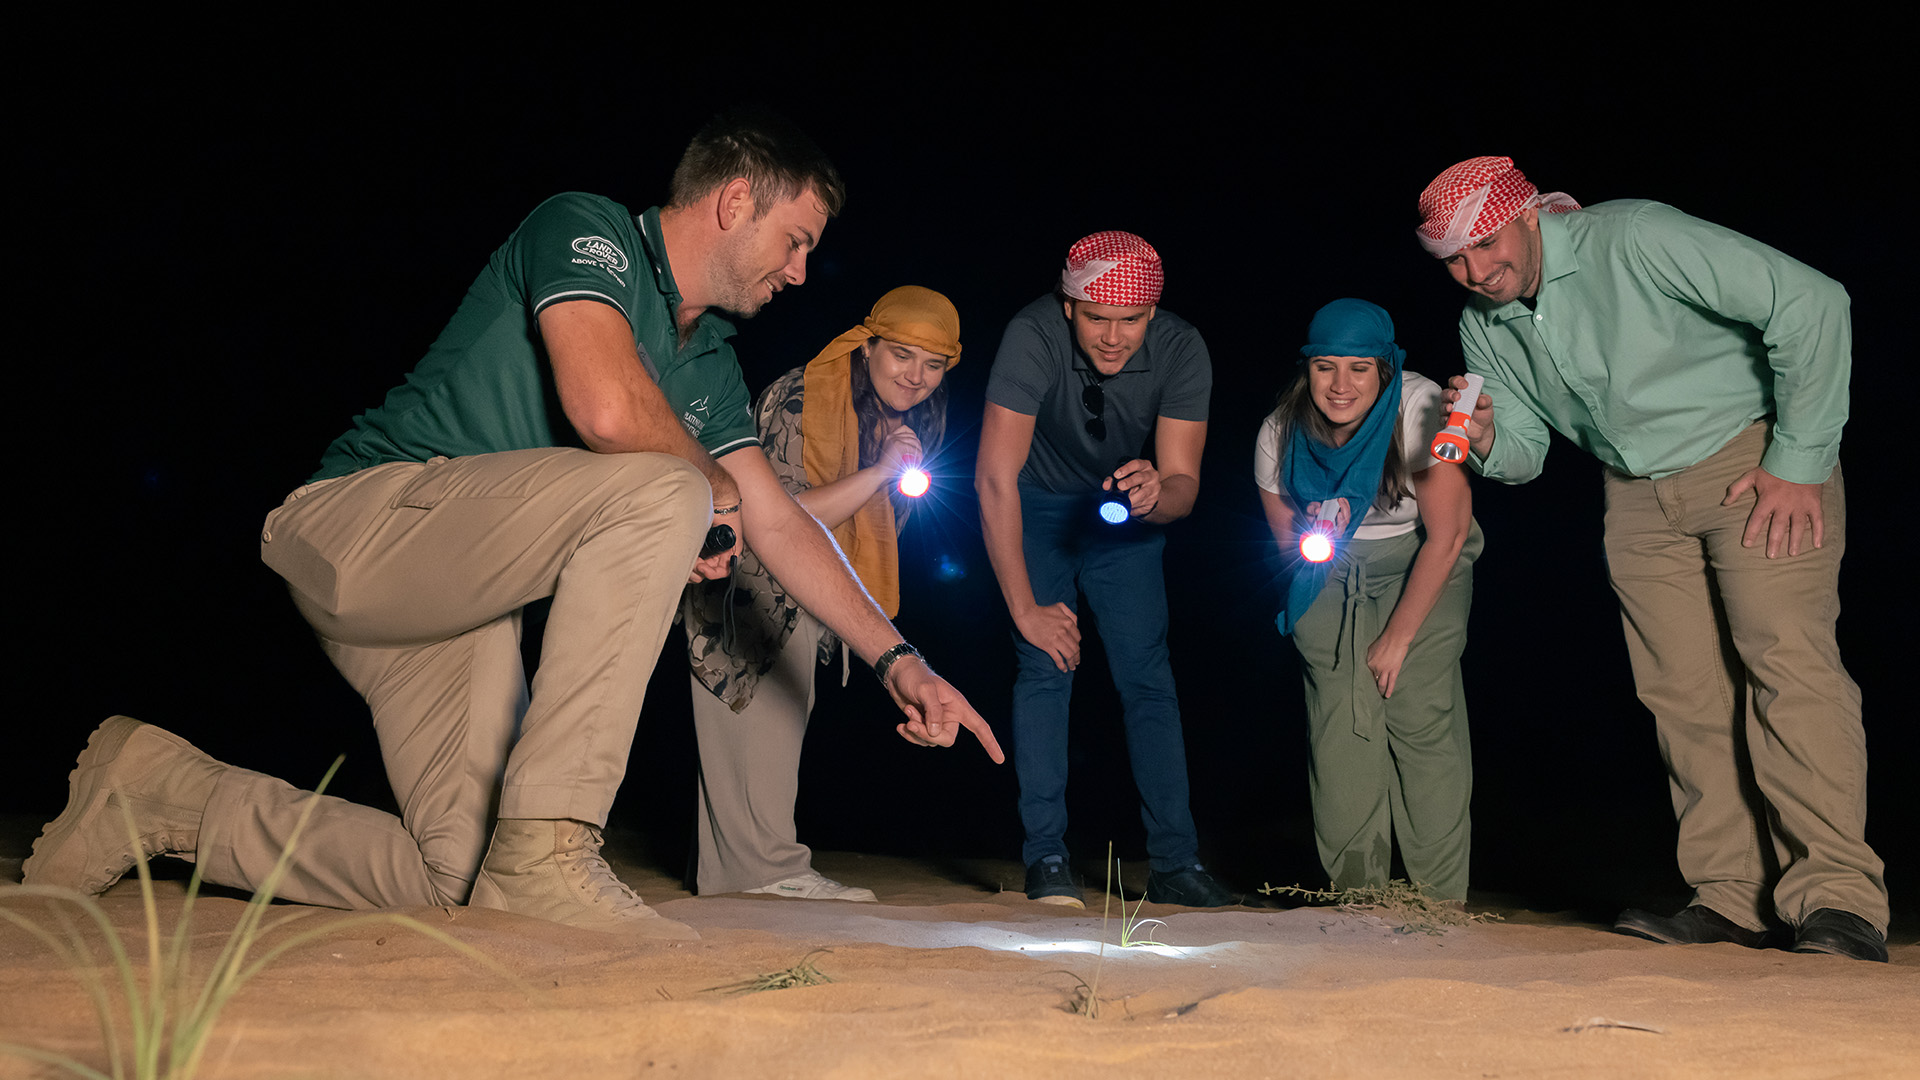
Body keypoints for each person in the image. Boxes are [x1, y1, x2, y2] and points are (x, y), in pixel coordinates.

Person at [24, 109, 1002, 941]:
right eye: (796, 240)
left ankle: (161, 795)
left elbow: (783, 526)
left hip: (460, 596)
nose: (799, 273)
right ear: (734, 201)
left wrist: (898, 661)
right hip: (358, 523)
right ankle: (555, 843)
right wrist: (708, 493)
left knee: (462, 881)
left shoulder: (707, 368)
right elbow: (608, 410)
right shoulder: (586, 230)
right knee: (663, 488)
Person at [1415, 155, 1887, 961]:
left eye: (1487, 244)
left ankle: (1838, 902)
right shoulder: (1481, 324)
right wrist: (1491, 438)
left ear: (1528, 214)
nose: (1476, 271)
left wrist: (1800, 461)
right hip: (1635, 494)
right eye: (1454, 260)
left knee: (1787, 667)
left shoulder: (1634, 235)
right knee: (1682, 693)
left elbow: (1811, 302)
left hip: (1750, 459)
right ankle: (1730, 896)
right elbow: (1527, 451)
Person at [975, 231, 1231, 908]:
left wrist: (1155, 496)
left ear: (1154, 314)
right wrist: (1026, 608)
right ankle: (1047, 858)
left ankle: (1176, 862)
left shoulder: (1183, 348)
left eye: (1132, 320)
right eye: (1096, 318)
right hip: (1034, 505)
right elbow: (994, 479)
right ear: (1067, 307)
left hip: (1121, 515)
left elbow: (1183, 486)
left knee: (1148, 679)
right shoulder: (1030, 334)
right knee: (1043, 663)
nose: (1115, 339)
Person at [684, 285, 960, 902]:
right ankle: (763, 871)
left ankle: (757, 873)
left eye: (934, 364)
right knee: (758, 717)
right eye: (901, 355)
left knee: (783, 720)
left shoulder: (905, 422)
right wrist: (879, 473)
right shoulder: (804, 397)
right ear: (869, 345)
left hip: (807, 594)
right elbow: (775, 520)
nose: (916, 377)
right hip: (744, 580)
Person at [1255, 299, 1479, 902]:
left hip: (1423, 555)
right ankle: (1359, 899)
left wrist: (1397, 636)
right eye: (1325, 366)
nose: (1340, 384)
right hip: (1328, 568)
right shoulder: (1280, 430)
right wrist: (1319, 626)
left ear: (1385, 368)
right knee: (1340, 719)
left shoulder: (1420, 408)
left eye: (1359, 367)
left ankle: (1440, 902)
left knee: (1417, 714)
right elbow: (1283, 542)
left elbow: (1449, 535)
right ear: (1308, 370)